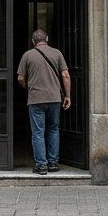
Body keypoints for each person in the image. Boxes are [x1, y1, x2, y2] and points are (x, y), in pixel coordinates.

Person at [16, 28, 71, 175]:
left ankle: (41, 165)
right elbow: (65, 75)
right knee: (53, 128)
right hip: (54, 98)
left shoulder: (27, 55)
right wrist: (68, 95)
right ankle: (53, 163)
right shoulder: (57, 53)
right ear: (46, 39)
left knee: (38, 132)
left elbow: (20, 78)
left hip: (35, 99)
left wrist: (28, 87)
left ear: (33, 41)